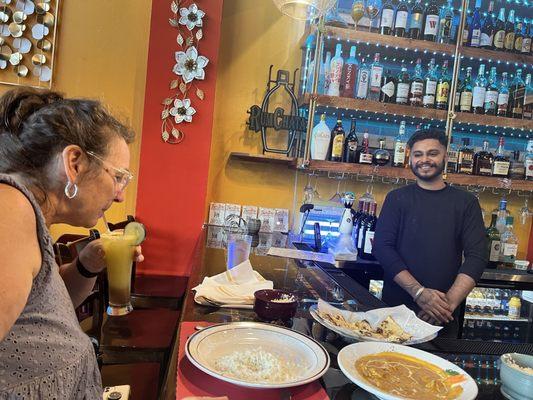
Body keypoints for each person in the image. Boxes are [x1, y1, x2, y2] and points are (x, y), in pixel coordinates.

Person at [0, 88, 143, 398]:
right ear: (74, 163)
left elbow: (43, 312)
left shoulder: (28, 213)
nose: (120, 194)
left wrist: (86, 264)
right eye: (118, 177)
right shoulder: (9, 211)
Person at [373, 128, 487, 337]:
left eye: (432, 153)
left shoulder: (466, 202)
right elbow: (382, 248)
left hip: (444, 316)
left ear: (445, 155)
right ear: (411, 158)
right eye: (418, 154)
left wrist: (447, 304)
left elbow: (477, 256)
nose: (424, 159)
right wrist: (418, 292)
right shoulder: (397, 199)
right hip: (396, 312)